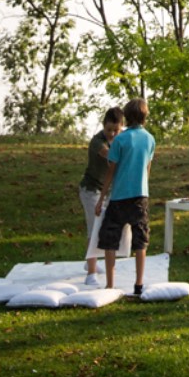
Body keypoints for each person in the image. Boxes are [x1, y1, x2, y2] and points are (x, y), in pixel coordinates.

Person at [97, 98, 156, 298]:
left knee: (109, 239)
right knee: (140, 241)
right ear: (144, 117)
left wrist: (101, 199)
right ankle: (139, 284)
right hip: (140, 196)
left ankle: (110, 285)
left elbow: (111, 172)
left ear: (126, 118)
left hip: (119, 197)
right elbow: (147, 169)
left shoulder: (120, 140)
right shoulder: (150, 139)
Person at [79, 106, 123, 283]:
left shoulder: (119, 139)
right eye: (109, 129)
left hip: (105, 191)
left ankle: (90, 262)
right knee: (94, 229)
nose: (112, 133)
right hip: (90, 190)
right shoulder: (97, 142)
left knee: (102, 228)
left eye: (116, 130)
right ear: (103, 126)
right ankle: (91, 273)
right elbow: (111, 156)